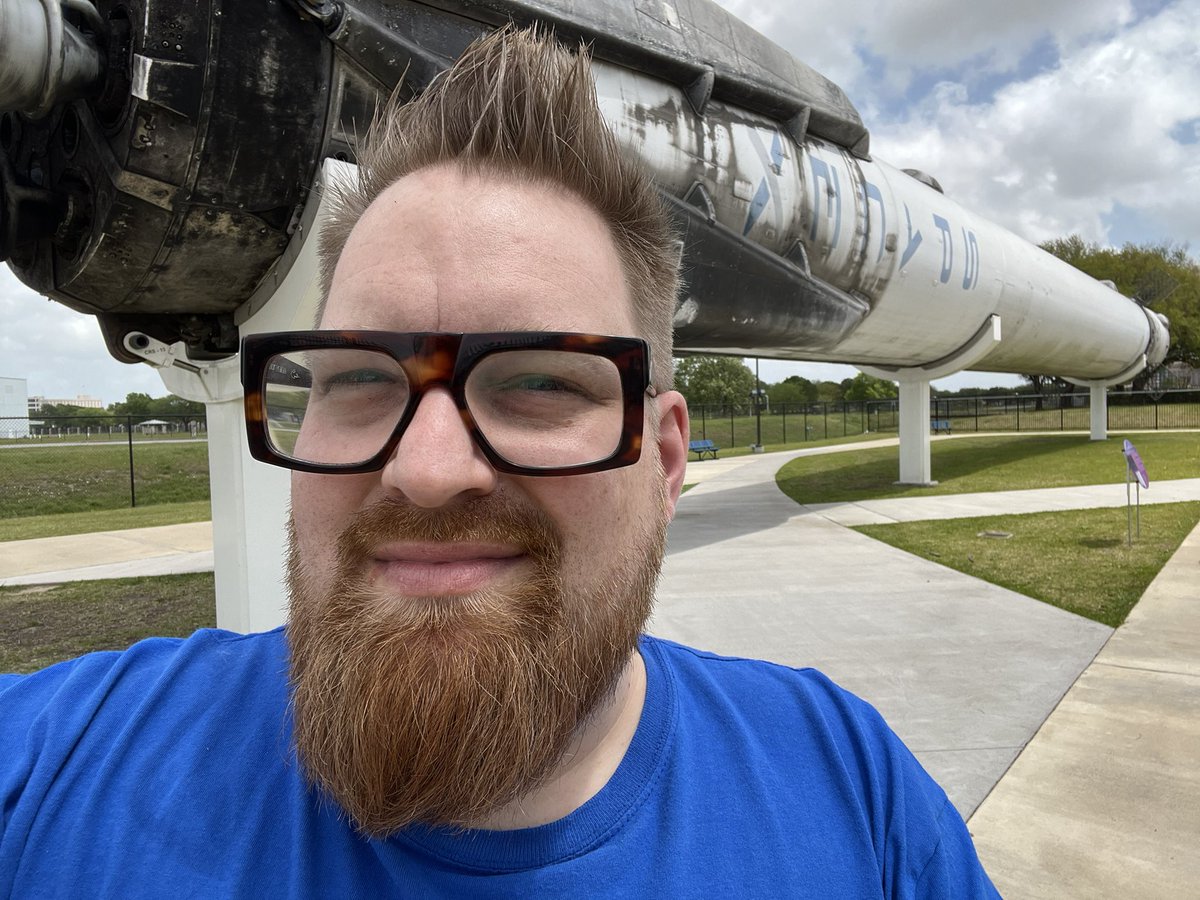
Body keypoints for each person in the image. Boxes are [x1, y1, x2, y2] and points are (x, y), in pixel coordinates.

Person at [0, 27, 999, 897]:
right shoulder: (53, 761)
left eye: (540, 382)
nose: (429, 470)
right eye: (359, 378)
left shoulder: (851, 793)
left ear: (664, 456)